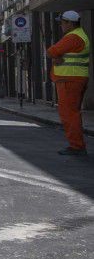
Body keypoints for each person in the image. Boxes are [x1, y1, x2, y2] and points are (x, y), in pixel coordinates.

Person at [46, 10, 89, 155]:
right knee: (73, 113)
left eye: (62, 23)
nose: (61, 26)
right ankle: (77, 145)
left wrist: (55, 56)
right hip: (75, 79)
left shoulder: (73, 37)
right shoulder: (80, 35)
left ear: (70, 23)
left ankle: (77, 146)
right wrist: (56, 57)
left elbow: (51, 51)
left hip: (69, 80)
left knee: (68, 114)